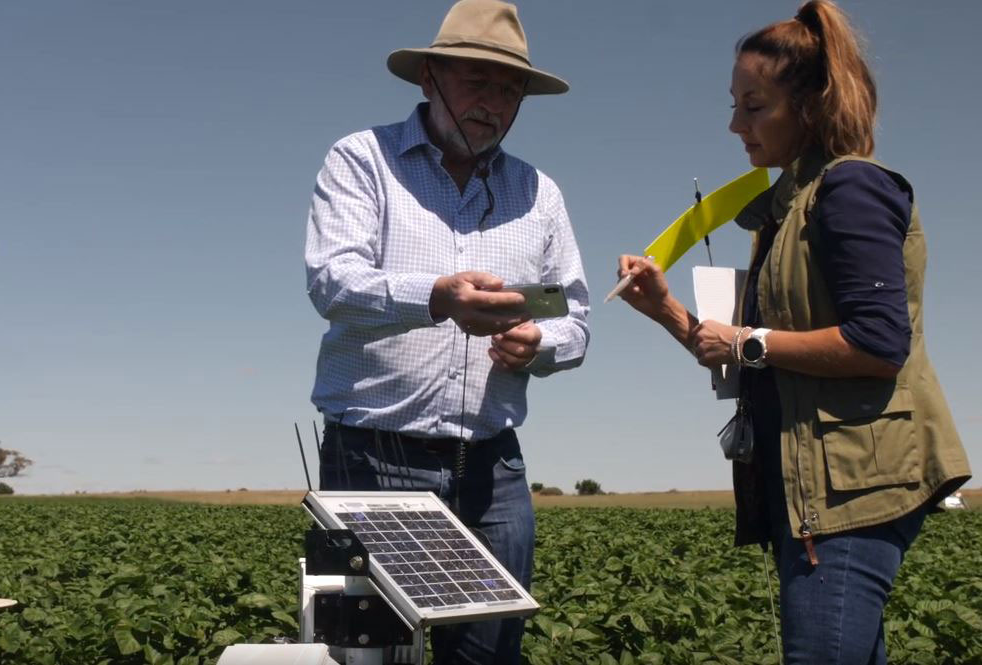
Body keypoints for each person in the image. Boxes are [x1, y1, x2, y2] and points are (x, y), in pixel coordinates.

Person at [615, 2, 971, 663]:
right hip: (816, 484)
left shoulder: (852, 189)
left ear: (809, 107)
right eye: (734, 105)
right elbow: (745, 352)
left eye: (754, 106)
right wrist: (663, 308)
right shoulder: (784, 213)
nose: (734, 125)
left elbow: (877, 341)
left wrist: (749, 340)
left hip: (854, 488)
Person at [303, 1, 589, 662]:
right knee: (373, 656)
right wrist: (438, 295)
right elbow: (332, 280)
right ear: (429, 79)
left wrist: (538, 345)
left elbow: (572, 316)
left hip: (495, 464)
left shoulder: (538, 193)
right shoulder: (363, 161)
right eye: (477, 82)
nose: (494, 102)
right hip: (374, 456)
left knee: (490, 653)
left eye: (510, 88)